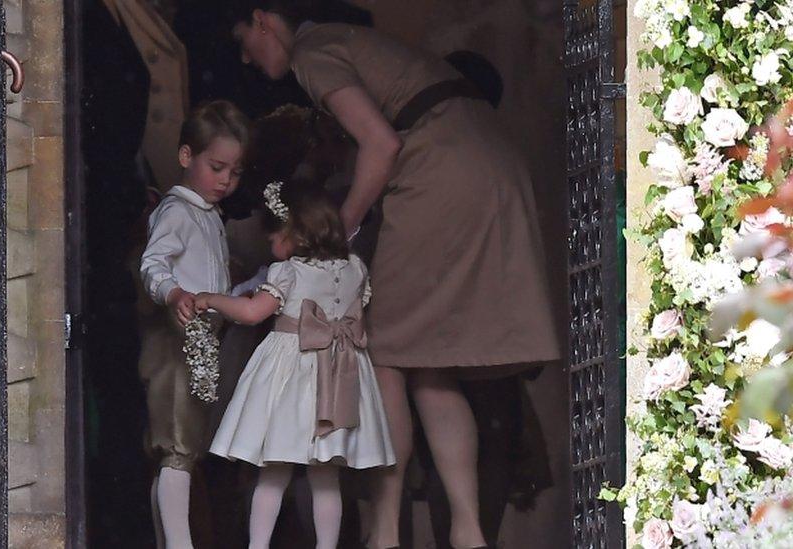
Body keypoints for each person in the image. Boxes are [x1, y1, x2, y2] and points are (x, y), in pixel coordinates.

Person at [225, 2, 560, 548]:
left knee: (381, 350)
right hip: (488, 159)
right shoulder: (345, 37)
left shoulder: (313, 51)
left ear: (264, 20)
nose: (246, 57)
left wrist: (335, 238)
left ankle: (384, 531)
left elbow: (382, 144)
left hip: (438, 172)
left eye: (244, 42)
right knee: (429, 363)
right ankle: (468, 532)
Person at [196, 181, 395, 549]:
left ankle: (258, 546)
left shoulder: (289, 272)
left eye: (275, 235)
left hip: (292, 378)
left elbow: (254, 312)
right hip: (339, 377)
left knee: (273, 474)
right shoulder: (355, 268)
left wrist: (213, 299)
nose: (271, 244)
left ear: (296, 234)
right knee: (326, 479)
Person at [139, 99, 249, 549]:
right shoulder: (177, 211)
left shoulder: (206, 213)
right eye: (217, 166)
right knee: (178, 447)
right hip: (178, 341)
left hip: (203, 343)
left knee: (182, 448)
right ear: (187, 156)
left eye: (236, 172)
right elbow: (152, 264)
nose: (226, 180)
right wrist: (175, 293)